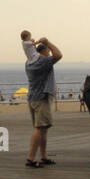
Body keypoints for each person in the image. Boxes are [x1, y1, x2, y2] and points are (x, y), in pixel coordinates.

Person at [24, 34, 62, 168]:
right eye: (48, 51)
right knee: (40, 128)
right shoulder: (43, 62)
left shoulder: (28, 63)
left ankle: (43, 156)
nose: (49, 53)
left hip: (33, 97)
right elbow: (58, 55)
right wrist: (48, 42)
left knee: (43, 128)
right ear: (43, 52)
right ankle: (30, 158)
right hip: (42, 99)